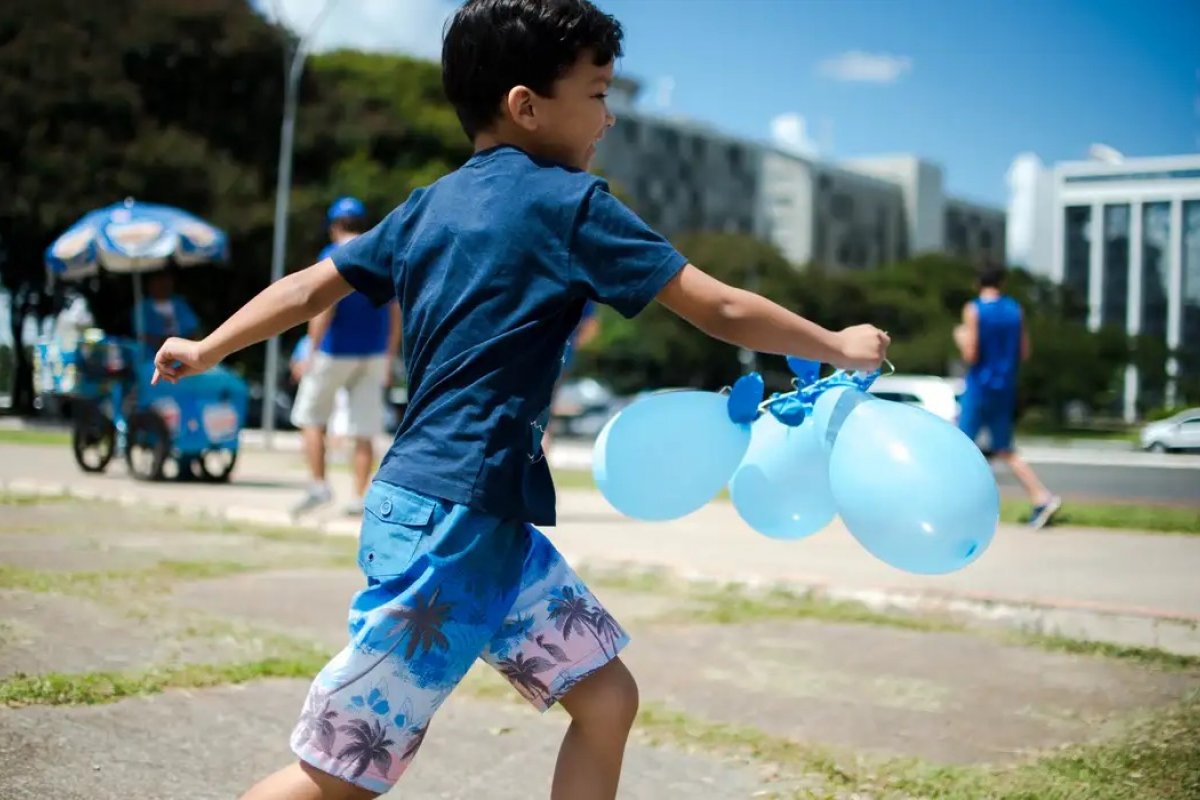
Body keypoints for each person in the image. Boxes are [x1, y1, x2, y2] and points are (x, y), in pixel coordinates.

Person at [151, 2, 889, 797]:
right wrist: (839, 344)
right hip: (454, 524)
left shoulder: (425, 205)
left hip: (477, 517)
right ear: (526, 105)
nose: (608, 118)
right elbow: (721, 308)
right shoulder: (569, 205)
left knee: (607, 699)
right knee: (341, 770)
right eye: (599, 94)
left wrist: (207, 346)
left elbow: (305, 287)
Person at [289, 198, 402, 517]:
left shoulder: (331, 255)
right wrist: (390, 355)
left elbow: (322, 307)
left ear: (334, 226)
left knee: (311, 417)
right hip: (373, 354)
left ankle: (318, 485)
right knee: (365, 428)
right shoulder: (381, 256)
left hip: (333, 351)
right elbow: (395, 313)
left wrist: (308, 352)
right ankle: (359, 496)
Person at [954, 261, 1061, 529]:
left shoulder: (974, 309)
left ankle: (956, 507)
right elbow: (1024, 352)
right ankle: (1041, 497)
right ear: (1002, 283)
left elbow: (971, 353)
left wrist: (960, 337)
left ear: (977, 283)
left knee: (958, 446)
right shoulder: (1015, 310)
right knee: (1005, 449)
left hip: (980, 385)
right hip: (1005, 385)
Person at [542, 299, 600, 453]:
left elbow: (590, 326)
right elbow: (590, 327)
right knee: (545, 409)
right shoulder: (582, 290)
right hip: (561, 356)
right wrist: (572, 346)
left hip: (540, 354)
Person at [132, 270, 199, 351]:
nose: (164, 285)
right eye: (160, 282)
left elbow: (193, 329)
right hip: (152, 354)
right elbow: (141, 335)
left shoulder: (180, 302)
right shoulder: (142, 307)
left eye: (167, 282)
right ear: (151, 285)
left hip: (184, 350)